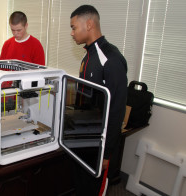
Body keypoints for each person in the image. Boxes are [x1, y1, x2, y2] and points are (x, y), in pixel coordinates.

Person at [70, 5, 127, 195]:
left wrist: (107, 153)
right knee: (80, 186)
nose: (72, 33)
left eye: (74, 27)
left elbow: (117, 110)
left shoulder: (111, 59)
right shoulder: (88, 56)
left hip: (100, 145)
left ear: (89, 24)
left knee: (94, 190)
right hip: (83, 138)